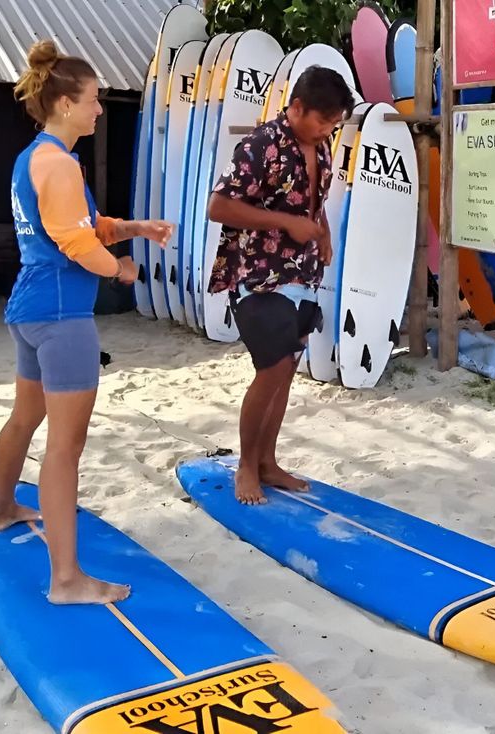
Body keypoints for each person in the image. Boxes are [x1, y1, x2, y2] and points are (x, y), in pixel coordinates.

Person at [0, 40, 173, 604]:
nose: (100, 109)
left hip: (30, 309)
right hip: (63, 318)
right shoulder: (61, 165)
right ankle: (67, 579)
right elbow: (75, 242)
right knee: (65, 448)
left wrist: (136, 228)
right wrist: (117, 269)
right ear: (66, 104)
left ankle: (1, 511)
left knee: (25, 419)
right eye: (94, 100)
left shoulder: (35, 159)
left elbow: (87, 223)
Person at [207, 66, 354, 505]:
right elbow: (218, 206)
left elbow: (314, 202)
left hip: (303, 273)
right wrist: (286, 222)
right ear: (296, 108)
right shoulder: (260, 145)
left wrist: (322, 233)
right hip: (258, 273)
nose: (328, 129)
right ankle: (246, 467)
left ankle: (268, 462)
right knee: (269, 369)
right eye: (322, 120)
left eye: (334, 123)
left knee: (287, 370)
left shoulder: (321, 146)